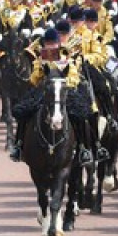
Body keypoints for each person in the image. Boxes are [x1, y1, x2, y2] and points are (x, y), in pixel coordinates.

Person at [9, 27, 85, 163]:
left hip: (63, 89)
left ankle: (83, 147)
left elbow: (74, 77)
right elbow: (33, 79)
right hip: (44, 90)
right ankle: (19, 145)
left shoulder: (66, 56)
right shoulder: (41, 58)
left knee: (80, 112)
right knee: (24, 111)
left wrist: (63, 80)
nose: (51, 46)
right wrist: (42, 69)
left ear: (58, 44)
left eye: (53, 44)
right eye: (48, 44)